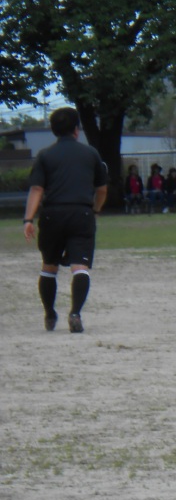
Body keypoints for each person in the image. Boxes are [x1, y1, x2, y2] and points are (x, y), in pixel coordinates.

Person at [21, 106, 109, 333]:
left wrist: (28, 219)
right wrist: (95, 210)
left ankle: (50, 314)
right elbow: (101, 189)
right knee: (80, 267)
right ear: (76, 129)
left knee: (49, 267)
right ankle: (75, 313)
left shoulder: (45, 155)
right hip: (82, 213)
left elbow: (37, 189)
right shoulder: (91, 153)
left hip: (52, 214)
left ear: (53, 130)